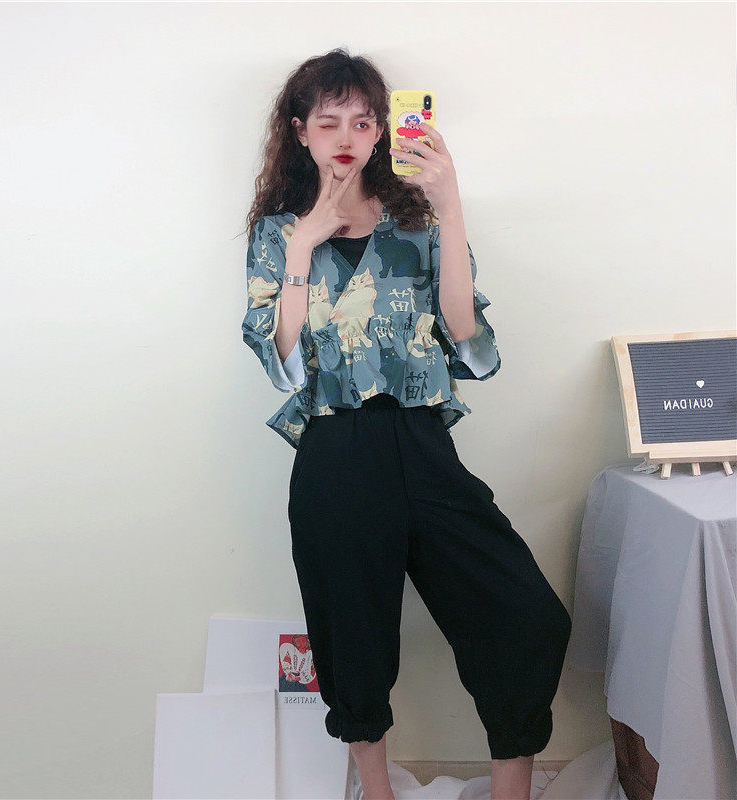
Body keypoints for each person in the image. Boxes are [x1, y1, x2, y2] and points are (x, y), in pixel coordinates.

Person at [240, 48, 572, 800]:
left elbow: (468, 341)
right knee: (351, 631)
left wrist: (450, 207)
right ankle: (377, 791)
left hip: (423, 442)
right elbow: (282, 361)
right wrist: (304, 244)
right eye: (329, 121)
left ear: (385, 130)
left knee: (524, 615)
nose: (347, 136)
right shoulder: (277, 234)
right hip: (335, 452)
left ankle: (511, 790)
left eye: (364, 121)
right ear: (299, 131)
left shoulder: (417, 223)